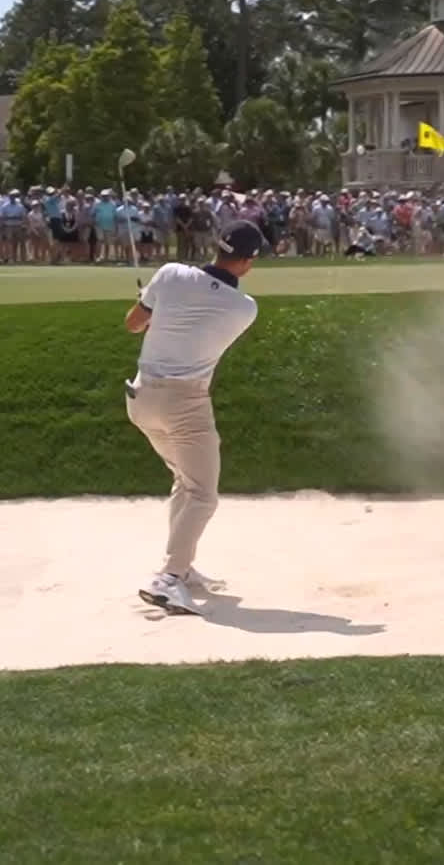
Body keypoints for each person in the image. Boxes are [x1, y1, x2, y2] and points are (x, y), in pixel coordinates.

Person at [123, 219, 263, 616]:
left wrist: (152, 305)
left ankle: (179, 566)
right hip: (185, 405)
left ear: (215, 246)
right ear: (248, 262)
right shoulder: (244, 308)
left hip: (141, 398)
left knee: (186, 483)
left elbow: (133, 324)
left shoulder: (169, 274)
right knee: (203, 494)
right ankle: (167, 580)